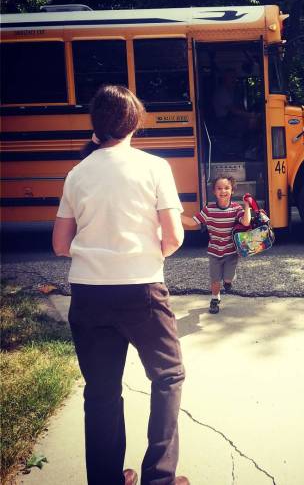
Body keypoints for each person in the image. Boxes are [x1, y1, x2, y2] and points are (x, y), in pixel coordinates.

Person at [52, 85, 189, 485]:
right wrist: (151, 255)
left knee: (101, 391)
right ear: (135, 123)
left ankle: (107, 480)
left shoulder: (77, 174)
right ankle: (159, 479)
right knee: (167, 377)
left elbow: (60, 244)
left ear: (97, 125)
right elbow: (174, 236)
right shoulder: (154, 167)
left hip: (88, 296)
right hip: (142, 290)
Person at [181, 176, 251, 314]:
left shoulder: (236, 208)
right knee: (215, 279)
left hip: (231, 252)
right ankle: (214, 299)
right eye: (219, 188)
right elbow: (192, 222)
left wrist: (247, 206)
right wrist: (173, 214)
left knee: (227, 278)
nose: (223, 191)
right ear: (214, 191)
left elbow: (246, 222)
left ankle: (228, 280)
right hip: (214, 252)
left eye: (226, 188)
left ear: (232, 191)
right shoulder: (209, 210)